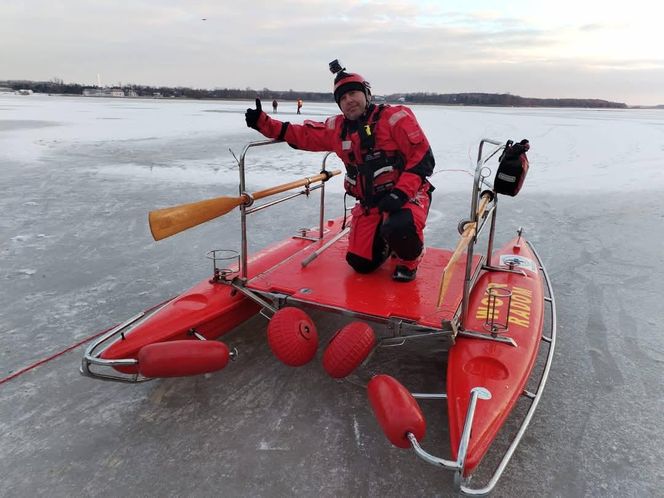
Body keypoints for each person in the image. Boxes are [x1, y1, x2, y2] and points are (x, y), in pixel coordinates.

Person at [245, 68, 435, 282]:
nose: (349, 100)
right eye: (342, 98)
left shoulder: (395, 118)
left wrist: (400, 193)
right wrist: (263, 123)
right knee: (360, 263)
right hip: (371, 204)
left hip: (407, 197)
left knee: (400, 225)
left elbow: (423, 159)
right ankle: (388, 240)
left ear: (366, 94)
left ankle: (410, 259)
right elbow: (304, 135)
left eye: (353, 93)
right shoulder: (337, 129)